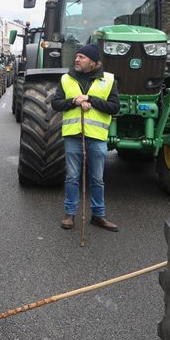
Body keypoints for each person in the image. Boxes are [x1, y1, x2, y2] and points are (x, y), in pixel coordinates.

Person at [51, 43, 120, 232]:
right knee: (72, 176)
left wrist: (91, 100)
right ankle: (70, 214)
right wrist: (74, 101)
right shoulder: (66, 79)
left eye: (82, 57)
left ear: (93, 62)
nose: (77, 60)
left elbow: (115, 107)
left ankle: (98, 215)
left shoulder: (109, 80)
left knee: (97, 179)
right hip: (73, 135)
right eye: (77, 57)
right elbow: (56, 104)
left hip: (97, 137)